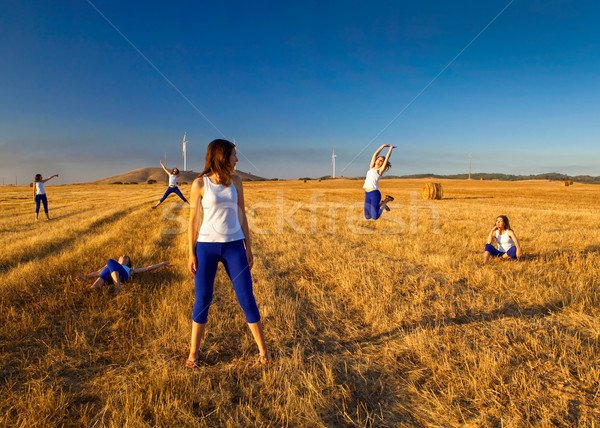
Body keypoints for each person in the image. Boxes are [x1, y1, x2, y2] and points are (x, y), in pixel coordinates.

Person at [186, 139, 270, 367]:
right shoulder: (200, 184)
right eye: (234, 155)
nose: (237, 159)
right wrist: (191, 253)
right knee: (203, 298)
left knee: (246, 297)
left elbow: (242, 214)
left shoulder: (237, 181)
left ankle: (263, 351)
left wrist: (248, 246)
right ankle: (193, 353)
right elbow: (193, 221)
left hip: (234, 246)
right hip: (206, 247)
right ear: (222, 156)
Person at [75, 255, 172, 295]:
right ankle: (92, 288)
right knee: (107, 268)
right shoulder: (111, 265)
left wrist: (163, 263)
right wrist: (85, 277)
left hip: (124, 277)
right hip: (110, 278)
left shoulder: (130, 269)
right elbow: (97, 272)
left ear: (128, 262)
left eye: (126, 257)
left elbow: (148, 268)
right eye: (122, 255)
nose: (124, 256)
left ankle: (118, 287)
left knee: (110, 261)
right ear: (118, 260)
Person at [363, 144, 395, 220]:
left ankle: (386, 201)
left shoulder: (380, 171)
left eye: (381, 161)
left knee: (375, 217)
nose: (379, 161)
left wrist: (390, 149)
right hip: (367, 194)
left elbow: (387, 158)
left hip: (374, 194)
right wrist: (382, 146)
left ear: (382, 164)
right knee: (367, 216)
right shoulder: (371, 168)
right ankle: (382, 204)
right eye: (378, 159)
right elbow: (375, 154)